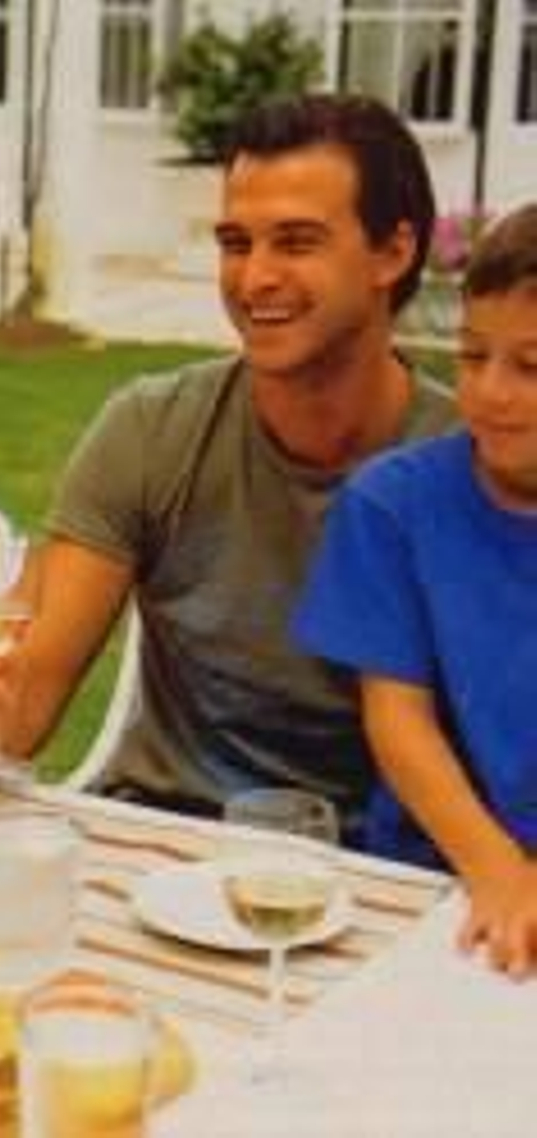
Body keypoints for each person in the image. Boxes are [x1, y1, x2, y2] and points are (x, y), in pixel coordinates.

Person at [0, 94, 458, 833]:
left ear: (393, 253)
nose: (254, 278)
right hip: (159, 835)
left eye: (296, 242)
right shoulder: (152, 430)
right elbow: (17, 713)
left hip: (376, 865)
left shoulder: (466, 465)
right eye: (236, 243)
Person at [295, 204, 537, 977]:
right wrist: (500, 872)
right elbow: (398, 720)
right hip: (437, 883)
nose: (492, 392)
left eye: (531, 367)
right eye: (473, 355)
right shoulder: (393, 504)